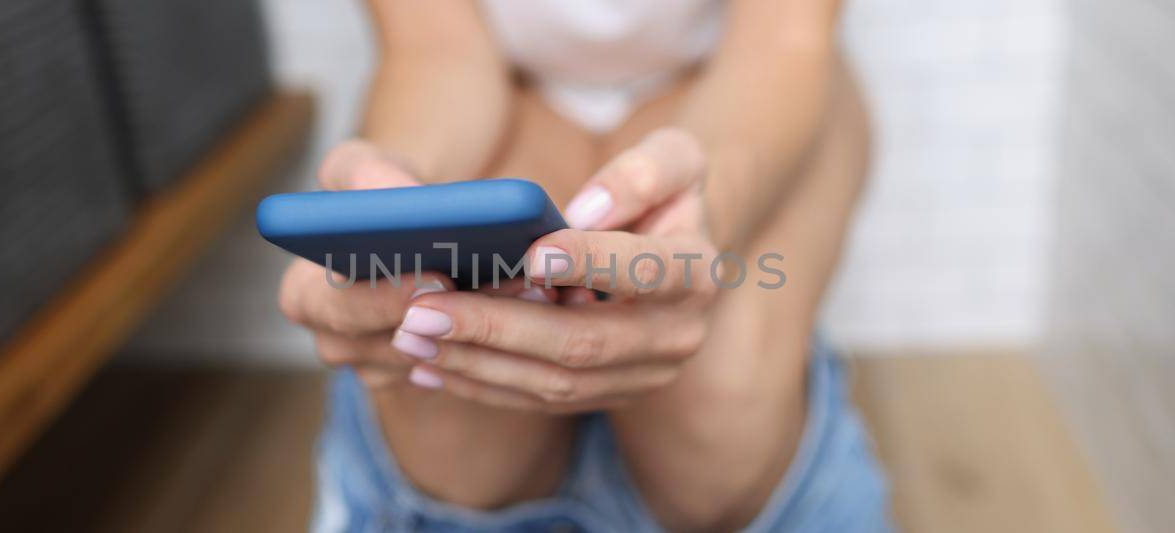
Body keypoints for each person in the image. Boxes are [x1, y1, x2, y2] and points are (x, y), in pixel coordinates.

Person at [276, 1, 889, 531]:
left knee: (720, 416)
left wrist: (710, 209)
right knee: (456, 429)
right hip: (499, 86)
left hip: (733, 80)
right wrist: (399, 187)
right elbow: (435, 46)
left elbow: (783, 41)